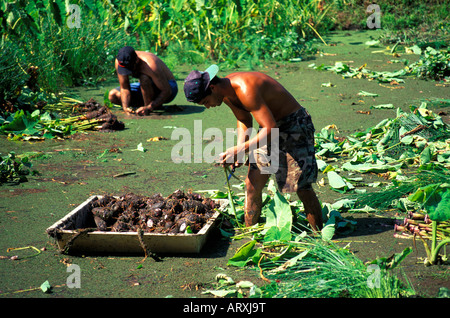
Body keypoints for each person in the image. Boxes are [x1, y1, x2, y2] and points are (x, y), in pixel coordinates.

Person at [183, 65, 323, 232]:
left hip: (293, 125)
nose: (207, 106)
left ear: (212, 87)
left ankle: (319, 235)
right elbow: (244, 119)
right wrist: (240, 151)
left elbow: (270, 129)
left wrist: (239, 150)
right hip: (269, 128)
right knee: (252, 184)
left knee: (300, 187)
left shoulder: (245, 89)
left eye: (206, 101)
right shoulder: (225, 94)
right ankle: (250, 234)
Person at [108, 46, 178, 115]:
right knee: (113, 95)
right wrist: (125, 107)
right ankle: (144, 107)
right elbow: (124, 88)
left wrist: (149, 107)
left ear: (137, 60)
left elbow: (167, 90)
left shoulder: (150, 64)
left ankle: (150, 107)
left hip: (169, 87)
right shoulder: (120, 62)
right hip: (145, 88)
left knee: (144, 78)